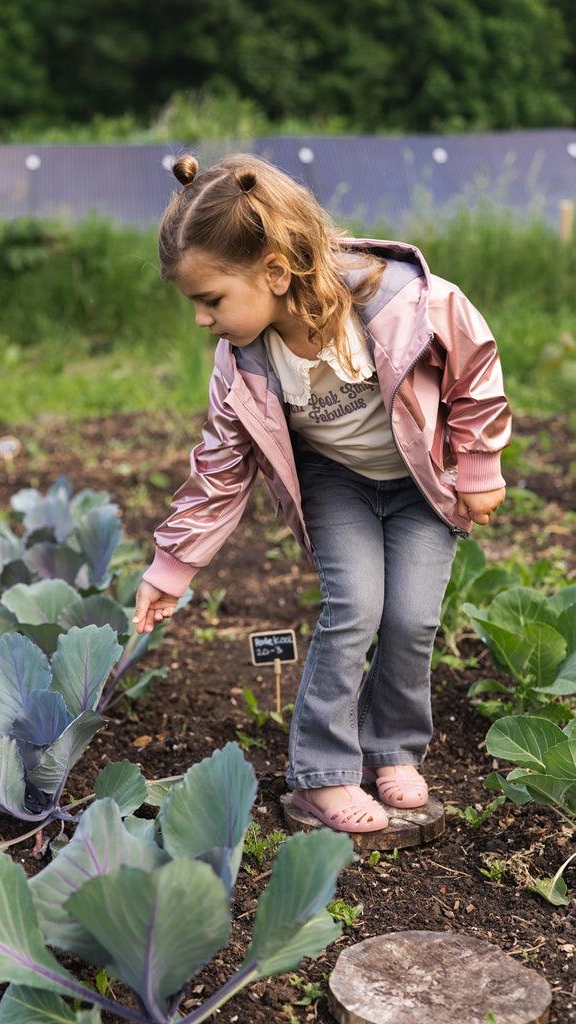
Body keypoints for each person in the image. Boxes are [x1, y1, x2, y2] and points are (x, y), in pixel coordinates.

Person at [132, 152, 511, 833]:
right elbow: (221, 466)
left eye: (209, 299)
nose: (200, 320)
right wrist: (173, 566)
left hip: (419, 484)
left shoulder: (403, 302)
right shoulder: (244, 362)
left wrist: (479, 462)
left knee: (412, 619)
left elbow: (472, 362)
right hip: (335, 484)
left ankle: (391, 747)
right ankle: (323, 775)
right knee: (354, 608)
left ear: (274, 271)